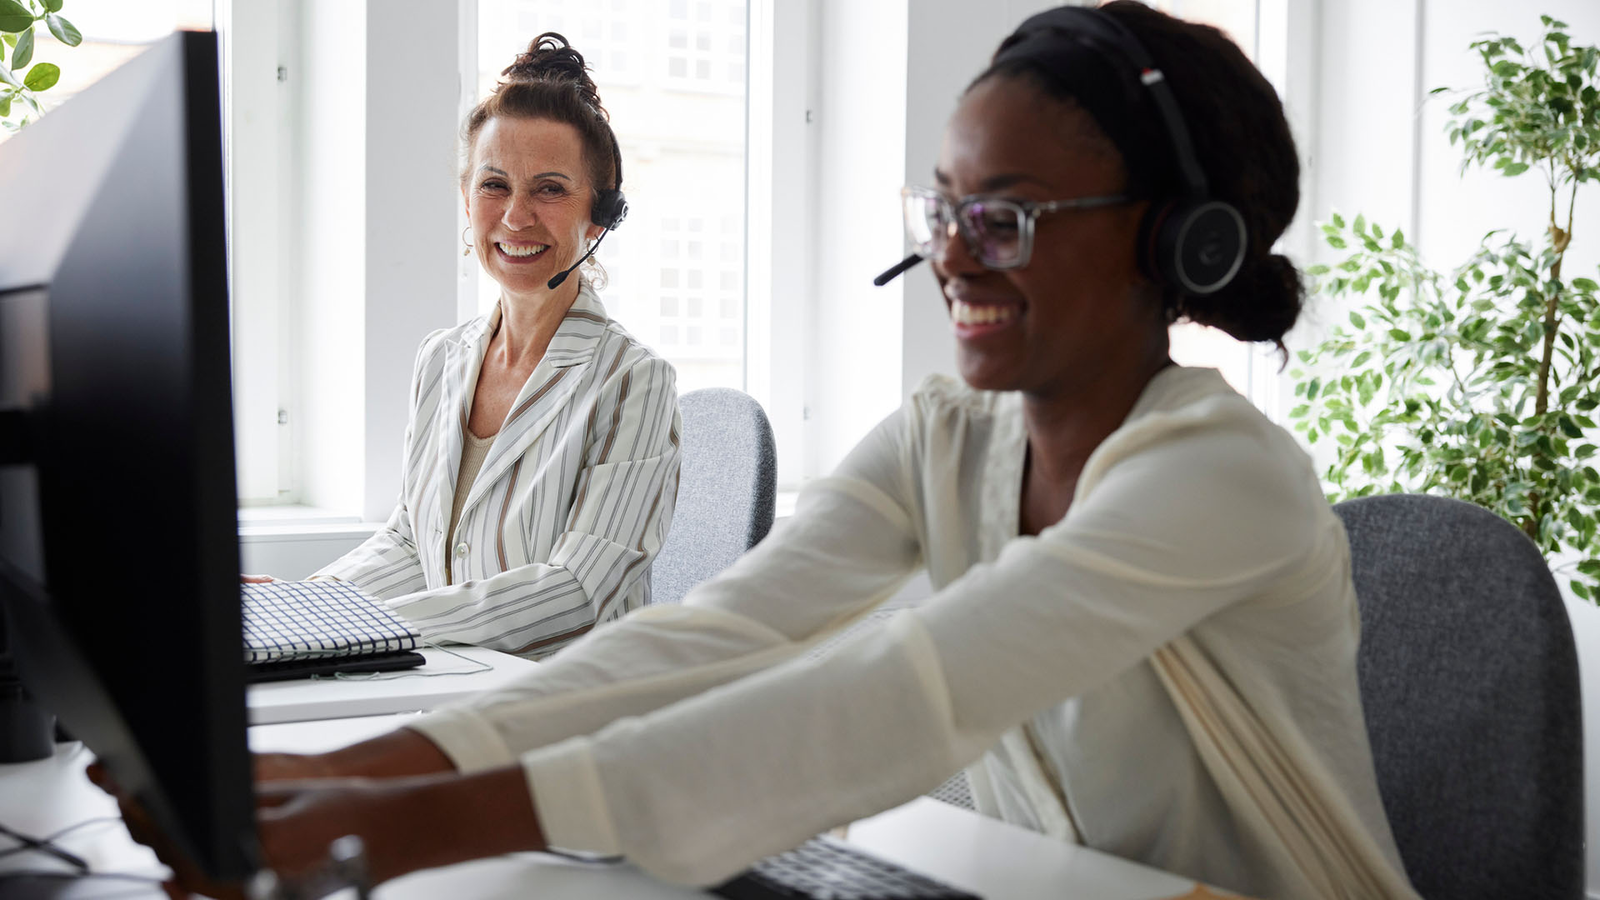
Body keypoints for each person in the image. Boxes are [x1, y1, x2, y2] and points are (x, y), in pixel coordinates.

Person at [119, 5, 1418, 898]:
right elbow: (708, 636)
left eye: (1008, 216)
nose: (953, 254)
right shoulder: (941, 440)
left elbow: (916, 689)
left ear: (1172, 241)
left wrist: (398, 827)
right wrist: (348, 770)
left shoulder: (1218, 473)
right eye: (947, 206)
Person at [252, 34, 681, 659]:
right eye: (494, 185)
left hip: (569, 715)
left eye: (551, 189)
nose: (514, 217)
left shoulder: (632, 381)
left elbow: (578, 590)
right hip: (456, 689)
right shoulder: (442, 359)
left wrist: (367, 629)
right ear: (465, 196)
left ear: (601, 216)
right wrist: (302, 607)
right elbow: (410, 546)